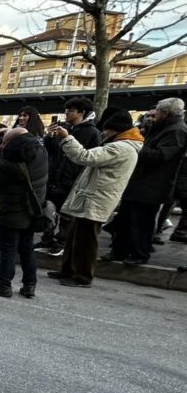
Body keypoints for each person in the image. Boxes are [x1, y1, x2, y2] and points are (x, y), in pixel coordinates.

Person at [47, 109, 141, 287]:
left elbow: (85, 156)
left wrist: (67, 138)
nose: (103, 133)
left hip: (96, 200)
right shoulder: (120, 146)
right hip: (91, 198)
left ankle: (82, 276)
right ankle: (68, 270)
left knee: (86, 241)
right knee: (74, 237)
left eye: (106, 129)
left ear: (115, 130)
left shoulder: (120, 148)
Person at [105, 98, 187, 265]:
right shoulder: (160, 127)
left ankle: (139, 254)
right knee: (125, 219)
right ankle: (119, 251)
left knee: (141, 223)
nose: (154, 114)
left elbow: (161, 156)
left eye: (157, 111)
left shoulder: (177, 130)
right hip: (139, 182)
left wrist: (136, 147)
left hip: (152, 185)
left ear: (165, 113)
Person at [0, 128, 48, 298]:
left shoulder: (9, 162)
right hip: (33, 210)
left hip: (11, 212)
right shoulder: (41, 152)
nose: (1, 144)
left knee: (8, 250)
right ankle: (30, 285)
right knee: (27, 248)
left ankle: (4, 285)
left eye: (4, 141)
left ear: (11, 142)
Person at [42, 97, 100, 254]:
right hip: (55, 177)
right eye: (66, 110)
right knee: (49, 209)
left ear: (81, 113)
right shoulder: (63, 129)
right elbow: (52, 152)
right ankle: (47, 239)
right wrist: (49, 137)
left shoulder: (91, 132)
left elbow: (89, 157)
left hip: (73, 179)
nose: (67, 113)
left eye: (71, 111)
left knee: (67, 214)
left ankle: (62, 243)